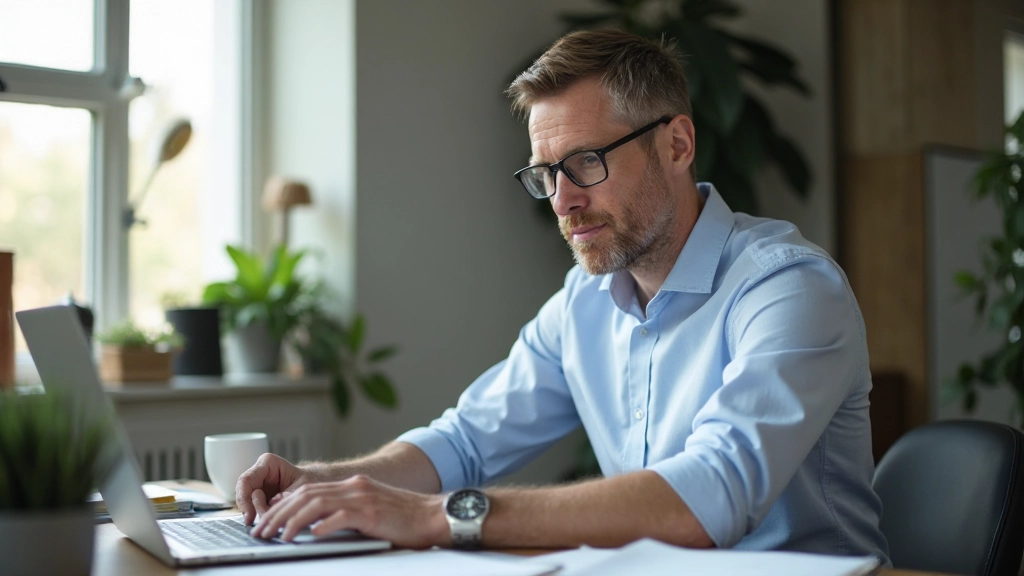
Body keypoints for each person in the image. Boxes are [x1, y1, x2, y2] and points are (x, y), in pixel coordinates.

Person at [238, 29, 889, 561]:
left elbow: (710, 497)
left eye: (584, 163)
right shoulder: (585, 300)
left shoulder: (789, 287)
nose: (563, 201)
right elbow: (466, 442)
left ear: (678, 145)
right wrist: (321, 484)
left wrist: (439, 516)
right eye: (546, 174)